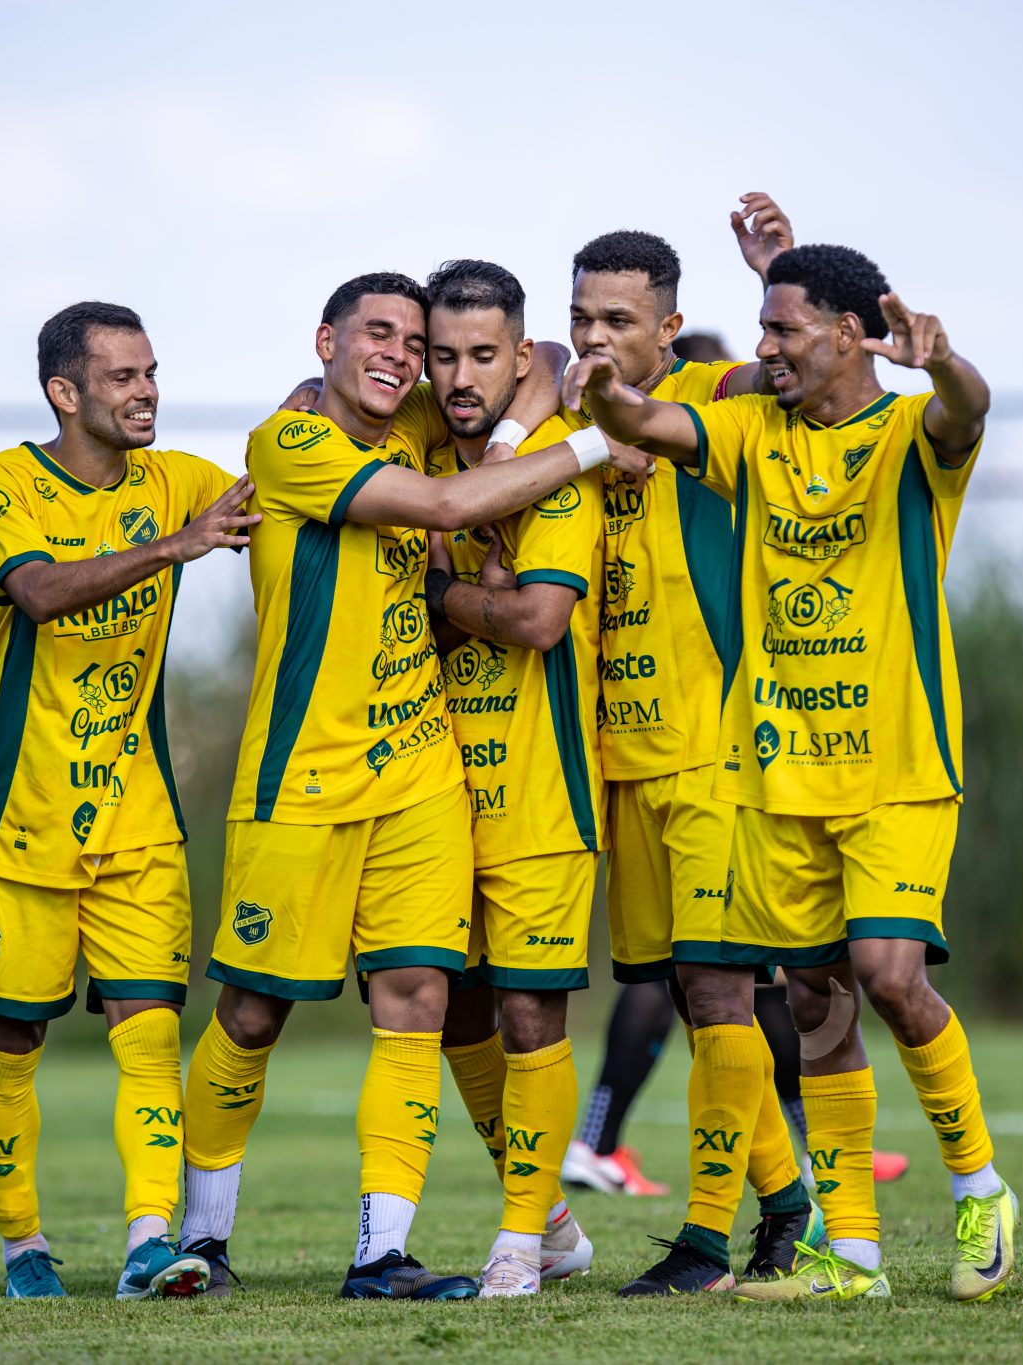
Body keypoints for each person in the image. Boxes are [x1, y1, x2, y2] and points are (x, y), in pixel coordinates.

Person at [174, 272, 647, 1303]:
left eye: (414, 342)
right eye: (379, 337)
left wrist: (539, 422)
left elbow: (549, 364)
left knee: (419, 1005)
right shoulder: (290, 444)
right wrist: (593, 445)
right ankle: (195, 1241)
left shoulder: (423, 422)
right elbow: (443, 502)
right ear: (325, 343)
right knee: (251, 1013)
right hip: (297, 779)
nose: (404, 358)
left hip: (422, 778)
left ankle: (380, 1255)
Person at [569, 241, 1017, 1304]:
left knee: (891, 977)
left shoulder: (910, 432)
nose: (762, 349)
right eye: (760, 328)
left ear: (853, 337)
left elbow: (966, 407)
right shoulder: (749, 431)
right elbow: (648, 423)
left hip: (896, 766)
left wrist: (940, 362)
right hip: (777, 774)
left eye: (780, 330)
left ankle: (980, 1190)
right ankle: (849, 1251)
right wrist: (600, 390)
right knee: (816, 1003)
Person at [0, 301, 259, 1300]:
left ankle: (149, 1245)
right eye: (122, 377)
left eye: (151, 372)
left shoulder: (175, 481)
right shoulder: (0, 483)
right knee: (12, 1039)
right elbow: (36, 594)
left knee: (149, 1029)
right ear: (64, 393)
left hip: (138, 822)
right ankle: (22, 1246)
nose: (146, 392)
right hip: (21, 821)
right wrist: (176, 548)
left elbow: (285, 472)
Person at [419, 259, 607, 1296]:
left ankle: (515, 1240)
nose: (458, 373)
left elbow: (537, 620)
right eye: (442, 354)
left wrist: (447, 594)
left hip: (540, 792)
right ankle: (556, 1221)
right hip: (434, 796)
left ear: (517, 354)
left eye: (483, 354)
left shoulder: (555, 466)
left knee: (533, 1016)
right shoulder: (407, 448)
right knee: (450, 1011)